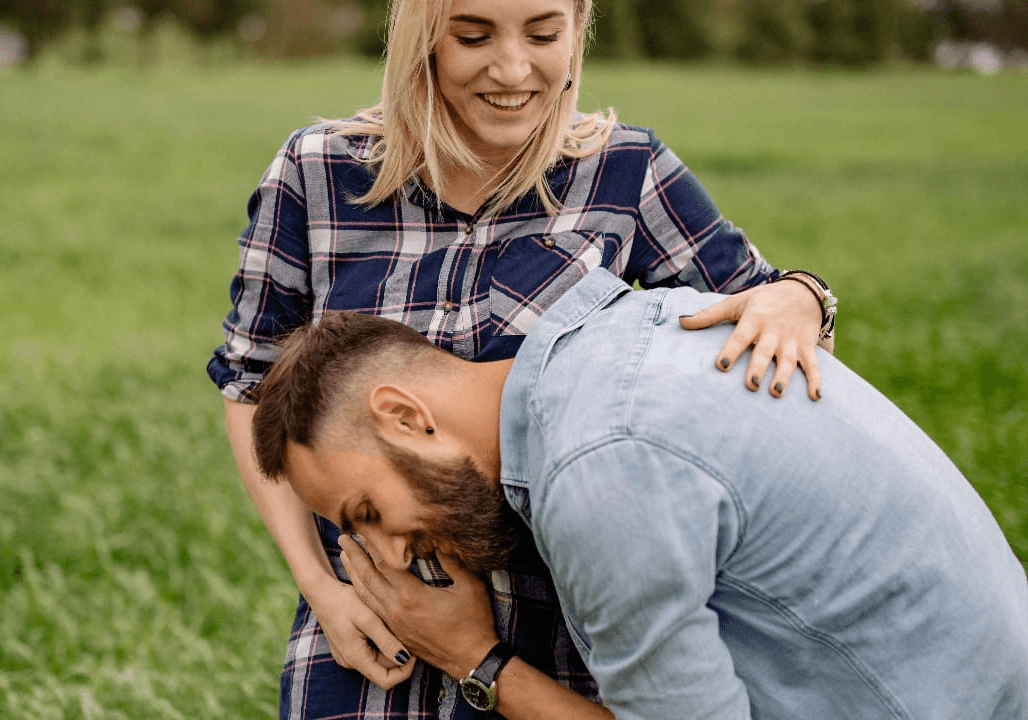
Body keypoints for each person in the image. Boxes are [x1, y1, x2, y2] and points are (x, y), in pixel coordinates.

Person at [207, 0, 839, 716]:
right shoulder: (317, 174)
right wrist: (322, 586)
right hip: (372, 630)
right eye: (473, 36)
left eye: (543, 34)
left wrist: (802, 296)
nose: (512, 68)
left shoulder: (625, 174)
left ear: (577, 31)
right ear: (425, 41)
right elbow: (252, 386)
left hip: (558, 649)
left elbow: (760, 324)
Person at [250, 267, 1028, 720]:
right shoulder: (627, 333)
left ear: (405, 416)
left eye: (369, 515)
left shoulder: (597, 469)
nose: (390, 555)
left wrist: (473, 658)